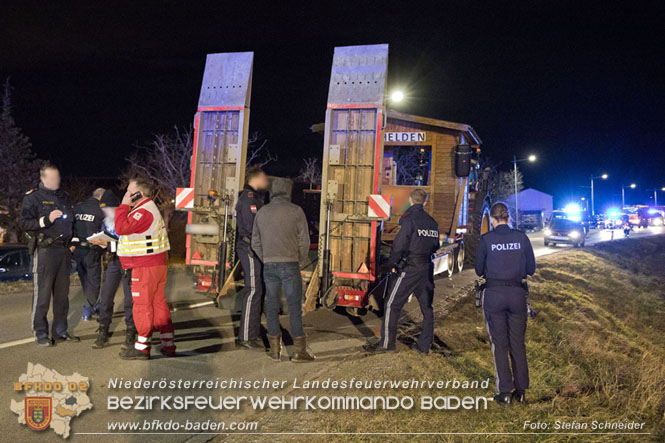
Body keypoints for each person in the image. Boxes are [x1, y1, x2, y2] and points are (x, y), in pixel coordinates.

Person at [363, 189, 440, 355]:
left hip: (410, 269)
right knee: (427, 308)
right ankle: (424, 346)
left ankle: (387, 345)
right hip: (426, 268)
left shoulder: (408, 219)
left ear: (411, 200)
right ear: (425, 202)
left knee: (392, 304)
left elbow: (399, 245)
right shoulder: (432, 222)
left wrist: (390, 263)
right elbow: (436, 246)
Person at [474, 202, 536, 406]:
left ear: (492, 220)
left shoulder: (486, 240)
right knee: (518, 344)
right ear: (508, 218)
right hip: (517, 295)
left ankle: (504, 392)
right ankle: (522, 391)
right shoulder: (521, 237)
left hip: (494, 295)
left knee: (499, 344)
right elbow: (531, 268)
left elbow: (478, 270)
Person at [251, 178, 314, 362]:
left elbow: (255, 241)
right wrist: (299, 260)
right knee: (294, 307)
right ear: (288, 191)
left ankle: (274, 351)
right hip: (290, 264)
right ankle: (299, 352)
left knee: (271, 306)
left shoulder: (262, 212)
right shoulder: (296, 211)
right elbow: (305, 241)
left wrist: (266, 258)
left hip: (269, 265)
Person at [19, 163, 79, 346]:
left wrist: (74, 242)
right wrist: (46, 220)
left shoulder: (65, 197)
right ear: (43, 179)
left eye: (57, 177)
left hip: (64, 252)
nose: (56, 181)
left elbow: (73, 222)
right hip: (45, 251)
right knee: (43, 297)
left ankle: (61, 330)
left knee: (62, 297)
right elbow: (23, 223)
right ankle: (41, 332)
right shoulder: (33, 198)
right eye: (52, 178)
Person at [115, 178, 174, 360]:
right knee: (158, 303)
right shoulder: (147, 209)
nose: (126, 194)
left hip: (144, 266)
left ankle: (142, 348)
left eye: (129, 191)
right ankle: (168, 344)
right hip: (155, 264)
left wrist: (123, 206)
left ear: (138, 193)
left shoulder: (143, 211)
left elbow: (121, 228)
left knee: (142, 305)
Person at [88, 190, 136, 350]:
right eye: (104, 209)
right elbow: (109, 240)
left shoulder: (128, 218)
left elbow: (130, 239)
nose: (106, 211)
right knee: (106, 297)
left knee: (129, 300)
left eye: (109, 208)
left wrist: (111, 242)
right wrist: (101, 242)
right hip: (114, 261)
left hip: (128, 261)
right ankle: (103, 331)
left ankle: (131, 332)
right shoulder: (106, 221)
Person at [234, 166, 269, 349]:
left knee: (257, 290)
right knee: (253, 290)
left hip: (253, 248)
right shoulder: (249, 200)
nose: (266, 182)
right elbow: (252, 228)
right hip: (250, 248)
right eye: (264, 178)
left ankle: (251, 334)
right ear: (255, 179)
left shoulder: (254, 198)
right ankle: (246, 337)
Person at [72, 187, 105, 321]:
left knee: (85, 281)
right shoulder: (101, 210)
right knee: (94, 281)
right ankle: (88, 309)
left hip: (78, 250)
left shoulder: (78, 208)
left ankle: (95, 305)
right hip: (92, 251)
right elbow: (105, 231)